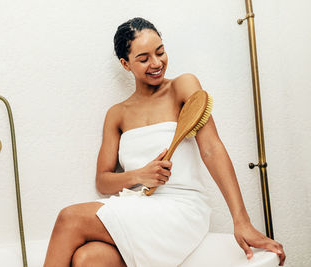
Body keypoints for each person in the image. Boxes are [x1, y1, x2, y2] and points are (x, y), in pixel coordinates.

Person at [43, 17, 286, 267]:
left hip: (182, 208)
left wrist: (241, 220)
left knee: (69, 218)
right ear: (125, 64)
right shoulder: (117, 114)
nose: (157, 63)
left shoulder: (182, 87)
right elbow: (103, 181)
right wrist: (140, 175)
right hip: (138, 206)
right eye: (144, 58)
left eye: (160, 52)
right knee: (88, 259)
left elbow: (212, 149)